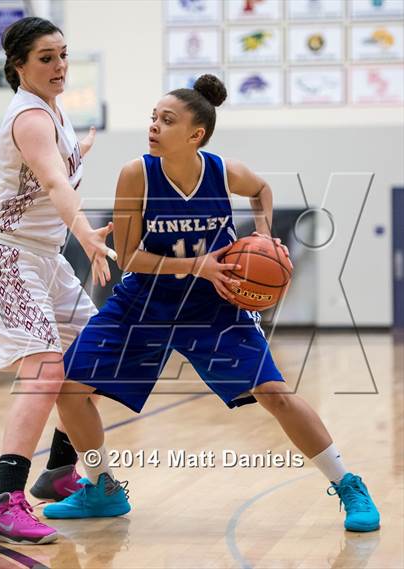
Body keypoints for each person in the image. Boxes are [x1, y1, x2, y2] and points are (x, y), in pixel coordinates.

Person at [43, 75, 380, 534]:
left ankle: (348, 484)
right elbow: (130, 256)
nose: (154, 127)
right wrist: (196, 264)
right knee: (70, 389)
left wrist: (261, 233)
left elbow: (261, 188)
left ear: (195, 134)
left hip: (215, 304)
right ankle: (102, 487)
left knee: (275, 394)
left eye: (167, 120)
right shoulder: (136, 173)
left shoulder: (222, 171)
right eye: (153, 118)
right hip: (145, 301)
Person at [0, 17, 122, 545]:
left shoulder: (54, 112)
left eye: (63, 55)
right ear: (19, 65)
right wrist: (86, 234)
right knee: (45, 371)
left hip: (45, 258)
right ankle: (6, 500)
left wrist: (80, 148)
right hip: (9, 257)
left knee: (95, 355)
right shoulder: (30, 117)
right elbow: (54, 181)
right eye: (46, 58)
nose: (59, 66)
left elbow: (56, 166)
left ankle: (60, 471)